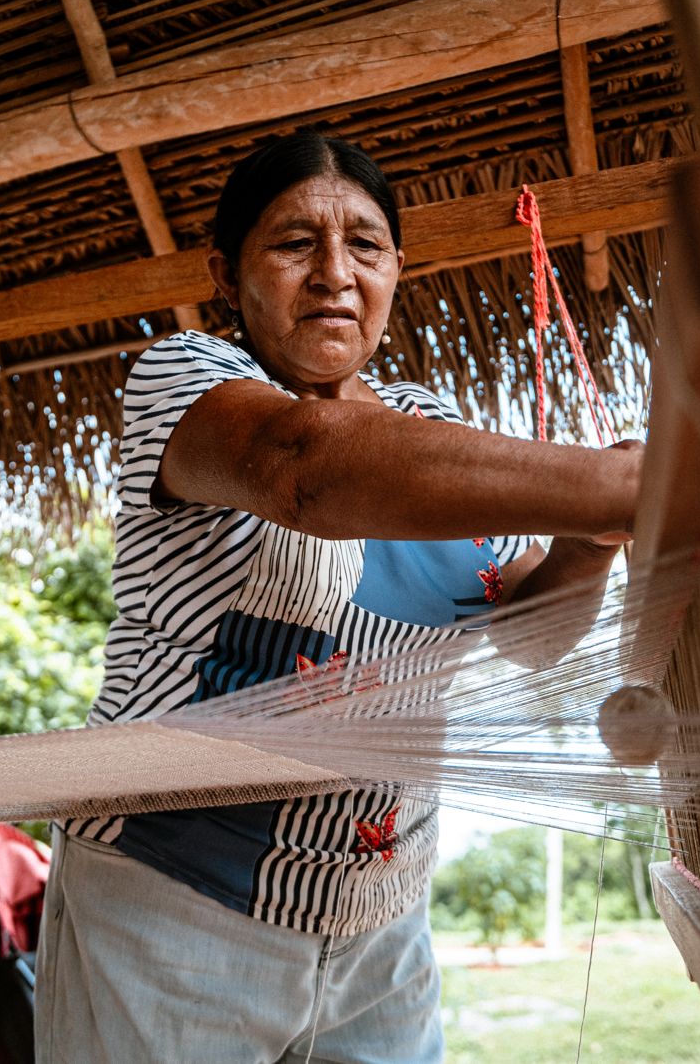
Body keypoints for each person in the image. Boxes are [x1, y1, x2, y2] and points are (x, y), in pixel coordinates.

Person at [32, 129, 642, 1063]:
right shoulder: (189, 382)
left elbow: (530, 633)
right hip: (172, 901)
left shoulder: (429, 430)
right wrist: (616, 485)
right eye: (292, 244)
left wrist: (593, 538)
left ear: (397, 268)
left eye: (364, 244)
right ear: (225, 272)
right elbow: (300, 469)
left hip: (380, 917)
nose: (333, 273)